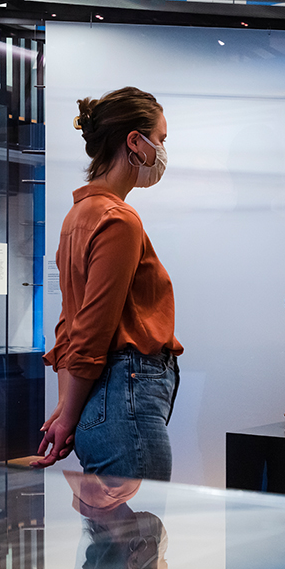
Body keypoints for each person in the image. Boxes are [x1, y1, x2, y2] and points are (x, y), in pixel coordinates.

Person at [33, 87, 183, 481]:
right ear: (136, 142)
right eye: (161, 140)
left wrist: (69, 408)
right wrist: (67, 417)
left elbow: (70, 326)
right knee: (139, 537)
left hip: (103, 401)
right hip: (125, 400)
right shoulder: (119, 219)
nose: (163, 152)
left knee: (112, 536)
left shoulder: (77, 215)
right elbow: (92, 331)